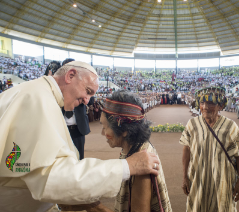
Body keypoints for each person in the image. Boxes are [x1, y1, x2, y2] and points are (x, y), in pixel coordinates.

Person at [0, 61, 160, 212]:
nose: (87, 100)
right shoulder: (36, 99)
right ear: (70, 76)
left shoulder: (39, 94)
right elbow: (48, 178)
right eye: (88, 91)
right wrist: (126, 167)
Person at [100, 90, 172, 212]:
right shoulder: (134, 149)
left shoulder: (141, 164)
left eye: (105, 127)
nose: (102, 133)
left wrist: (94, 207)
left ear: (124, 131)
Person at [180, 87, 239, 212]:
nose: (205, 107)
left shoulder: (231, 126)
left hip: (223, 181)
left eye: (210, 103)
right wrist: (184, 177)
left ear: (220, 106)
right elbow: (186, 150)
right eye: (202, 103)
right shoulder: (192, 124)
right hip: (198, 179)